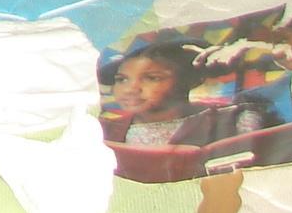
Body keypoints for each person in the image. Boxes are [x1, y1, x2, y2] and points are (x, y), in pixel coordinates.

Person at [101, 41, 273, 148]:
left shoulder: (231, 121)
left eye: (152, 78)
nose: (131, 89)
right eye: (121, 79)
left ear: (189, 80)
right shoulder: (103, 131)